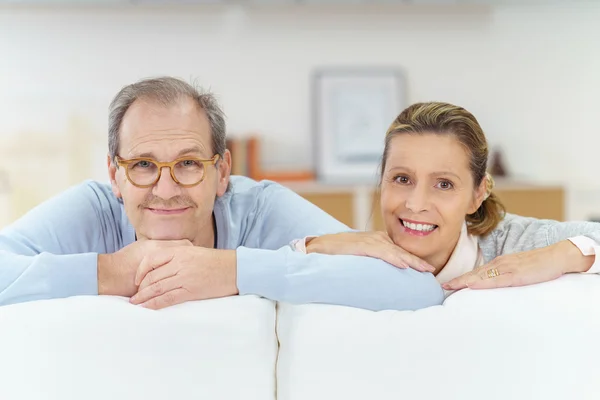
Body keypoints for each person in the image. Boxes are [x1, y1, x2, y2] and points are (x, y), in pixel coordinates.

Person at [0, 77, 444, 311]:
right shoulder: (93, 211)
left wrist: (231, 270)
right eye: (142, 166)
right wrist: (111, 271)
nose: (166, 188)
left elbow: (416, 290)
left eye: (189, 163)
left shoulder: (262, 209)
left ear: (223, 171)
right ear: (114, 176)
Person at [297, 102, 600, 297]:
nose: (416, 204)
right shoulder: (355, 257)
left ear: (477, 194)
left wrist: (553, 257)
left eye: (443, 184)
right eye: (402, 179)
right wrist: (314, 246)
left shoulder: (510, 243)